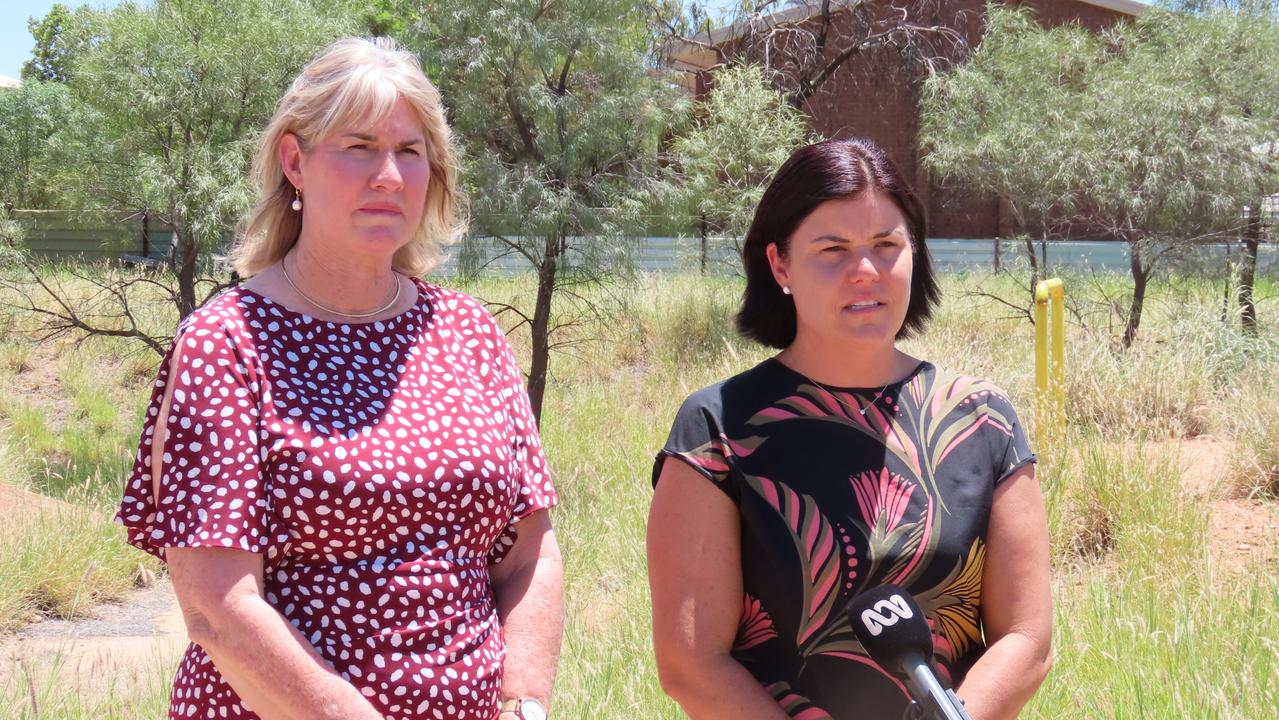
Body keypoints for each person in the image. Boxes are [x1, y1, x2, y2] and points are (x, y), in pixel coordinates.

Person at [116, 37, 562, 720]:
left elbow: (528, 551)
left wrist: (524, 702)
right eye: (358, 146)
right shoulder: (226, 344)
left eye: (410, 152)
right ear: (295, 161)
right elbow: (217, 608)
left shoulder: (470, 334)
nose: (388, 175)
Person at [647, 138, 1052, 720]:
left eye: (887, 245)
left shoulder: (982, 419)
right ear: (780, 265)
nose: (866, 272)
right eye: (832, 249)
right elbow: (692, 664)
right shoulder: (718, 429)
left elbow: (1027, 638)